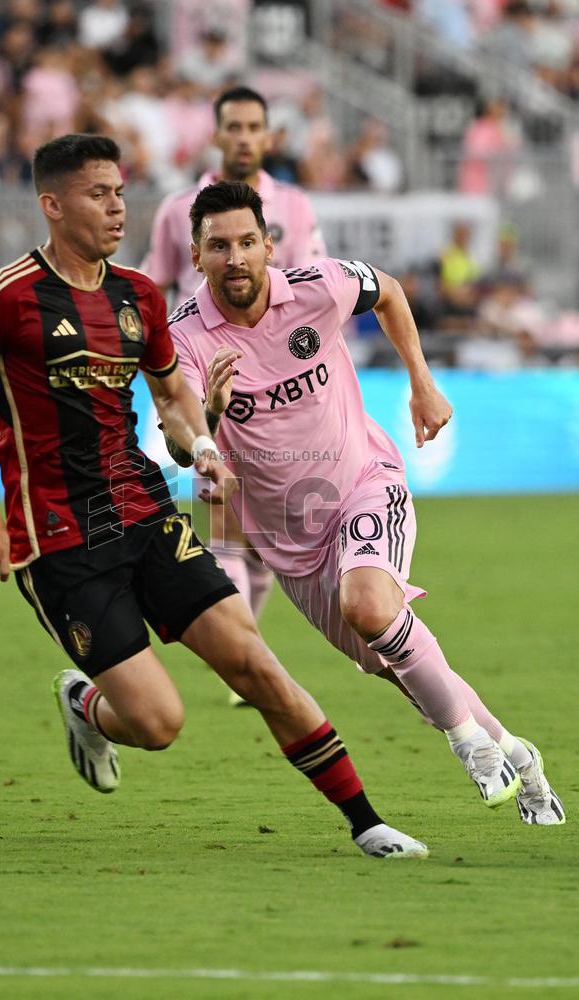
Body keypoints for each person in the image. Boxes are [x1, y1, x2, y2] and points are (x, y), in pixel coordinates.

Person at [0, 133, 428, 861]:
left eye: (120, 192)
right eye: (98, 194)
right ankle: (86, 703)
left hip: (143, 510)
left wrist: (205, 446)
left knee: (254, 663)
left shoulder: (138, 296)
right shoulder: (6, 298)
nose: (116, 208)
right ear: (52, 205)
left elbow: (172, 401)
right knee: (158, 724)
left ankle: (366, 823)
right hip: (60, 539)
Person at [165, 180, 565, 827]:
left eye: (246, 242)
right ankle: (518, 755)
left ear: (268, 245)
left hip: (362, 483)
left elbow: (389, 291)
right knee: (400, 667)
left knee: (371, 607)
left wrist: (420, 382)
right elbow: (179, 441)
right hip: (289, 542)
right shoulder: (183, 335)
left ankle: (469, 745)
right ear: (196, 255)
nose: (234, 258)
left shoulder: (319, 287)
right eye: (219, 246)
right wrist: (209, 417)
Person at [142, 86, 326, 695]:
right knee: (220, 513)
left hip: (282, 385)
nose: (244, 137)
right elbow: (154, 287)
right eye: (234, 127)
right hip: (204, 373)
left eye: (254, 127)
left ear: (269, 136)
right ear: (217, 135)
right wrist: (162, 368)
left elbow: (311, 287)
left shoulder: (294, 206)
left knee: (268, 536)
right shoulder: (176, 210)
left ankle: (247, 652)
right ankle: (248, 662)